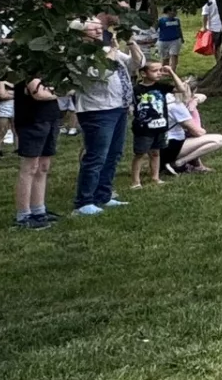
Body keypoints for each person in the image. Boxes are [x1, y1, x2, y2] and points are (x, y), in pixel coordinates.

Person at [70, 18, 139, 214]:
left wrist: (132, 42)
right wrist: (114, 50)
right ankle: (84, 202)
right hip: (97, 110)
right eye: (93, 28)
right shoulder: (79, 55)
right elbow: (100, 73)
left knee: (113, 154)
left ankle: (103, 195)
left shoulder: (106, 50)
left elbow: (136, 64)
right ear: (81, 33)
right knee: (96, 156)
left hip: (119, 107)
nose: (99, 31)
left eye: (100, 27)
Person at [12, 74, 61, 229]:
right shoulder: (29, 65)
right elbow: (37, 92)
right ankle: (23, 214)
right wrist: (57, 93)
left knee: (43, 166)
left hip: (50, 117)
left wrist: (52, 91)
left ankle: (38, 209)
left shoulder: (51, 68)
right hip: (32, 120)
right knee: (30, 167)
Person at [129, 63, 173, 188]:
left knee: (155, 153)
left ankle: (155, 177)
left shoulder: (161, 87)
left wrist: (171, 73)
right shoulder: (136, 89)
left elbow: (181, 89)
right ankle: (136, 181)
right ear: (143, 73)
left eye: (160, 70)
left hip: (160, 127)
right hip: (143, 129)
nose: (159, 73)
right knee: (140, 154)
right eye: (155, 71)